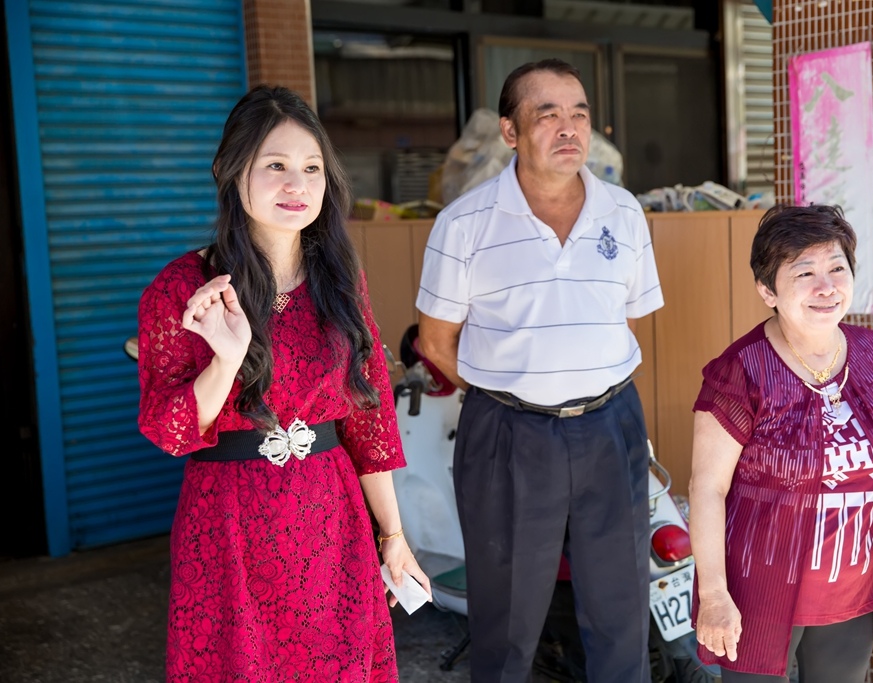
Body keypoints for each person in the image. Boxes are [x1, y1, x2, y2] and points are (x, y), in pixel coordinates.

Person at [136, 85, 430, 682]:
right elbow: (167, 432)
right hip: (228, 523)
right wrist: (226, 359)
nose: (297, 185)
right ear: (230, 170)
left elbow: (368, 418)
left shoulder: (340, 279)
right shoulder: (182, 288)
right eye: (275, 166)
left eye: (312, 168)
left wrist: (394, 534)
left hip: (331, 516)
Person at [416, 58, 664, 681]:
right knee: (506, 622)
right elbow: (435, 341)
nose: (568, 127)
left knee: (622, 611)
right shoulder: (463, 224)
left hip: (610, 427)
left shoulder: (624, 213)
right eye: (546, 113)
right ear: (510, 132)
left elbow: (624, 320)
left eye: (577, 112)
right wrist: (517, 394)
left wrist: (575, 383)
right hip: (507, 435)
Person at [687, 204, 873, 682]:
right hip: (757, 592)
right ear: (767, 290)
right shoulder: (741, 372)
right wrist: (714, 594)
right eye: (805, 272)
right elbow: (707, 487)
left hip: (852, 591)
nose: (827, 287)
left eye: (837, 268)